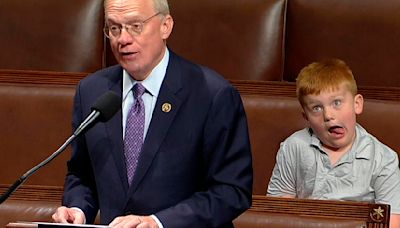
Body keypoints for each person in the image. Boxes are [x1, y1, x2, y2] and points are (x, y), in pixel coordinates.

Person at [51, 0, 253, 227]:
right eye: (114, 28)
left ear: (165, 26)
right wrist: (77, 208)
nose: (123, 39)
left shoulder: (212, 95)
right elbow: (81, 175)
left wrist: (159, 223)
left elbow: (232, 190)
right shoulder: (91, 91)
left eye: (135, 26)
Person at [267, 59, 400, 227]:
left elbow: (391, 223)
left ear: (357, 104)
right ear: (306, 117)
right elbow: (277, 212)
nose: (328, 115)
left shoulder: (384, 159)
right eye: (317, 108)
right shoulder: (293, 147)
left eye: (336, 103)